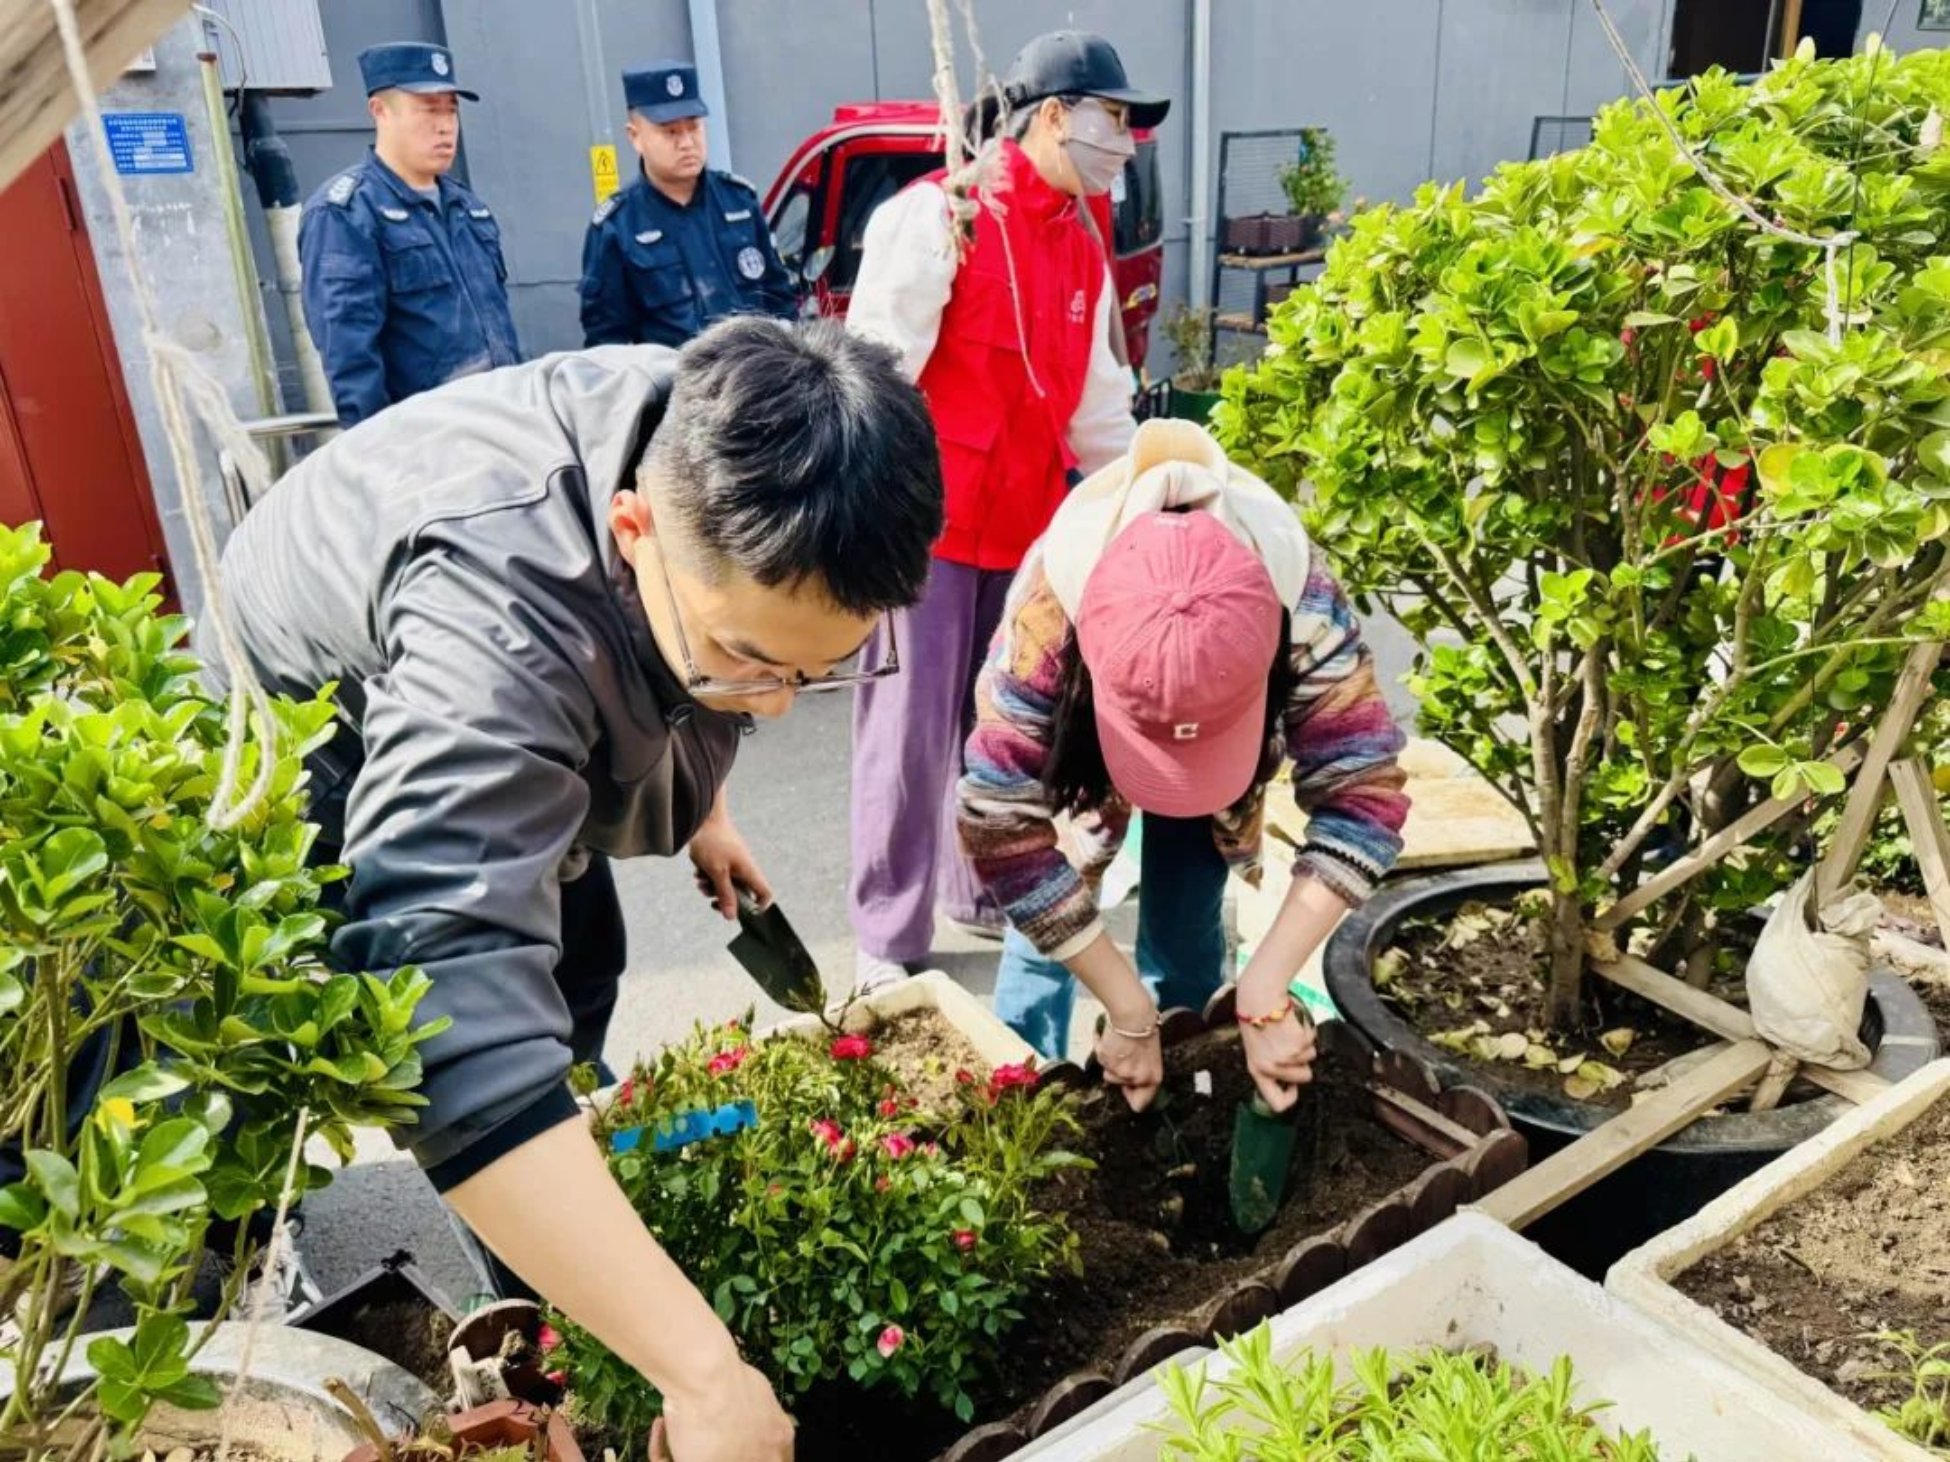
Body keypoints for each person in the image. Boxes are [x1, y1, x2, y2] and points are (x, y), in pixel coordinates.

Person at [202, 318, 943, 1462]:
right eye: (750, 662)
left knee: (579, 963)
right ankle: (305, 1251)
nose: (778, 704)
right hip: (314, 745)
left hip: (507, 674)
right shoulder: (495, 633)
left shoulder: (709, 431)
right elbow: (454, 1026)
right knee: (395, 1049)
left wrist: (708, 805)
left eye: (821, 667)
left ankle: (563, 1223)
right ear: (633, 533)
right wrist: (702, 1374)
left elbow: (704, 670)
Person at [957, 420, 1410, 1109]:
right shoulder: (1047, 614)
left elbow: (1365, 794)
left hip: (1223, 793)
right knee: (1047, 915)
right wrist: (1123, 1005)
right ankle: (1027, 1083)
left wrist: (1265, 986)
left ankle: (1186, 1075)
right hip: (1082, 767)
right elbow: (1002, 824)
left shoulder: (1302, 599)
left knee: (1189, 920)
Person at [844, 30, 1165, 993]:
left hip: (1026, 535)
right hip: (927, 532)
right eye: (1114, 119)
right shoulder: (943, 217)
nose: (1124, 144)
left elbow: (1098, 409)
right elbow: (874, 373)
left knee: (1003, 730)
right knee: (907, 736)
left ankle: (982, 886)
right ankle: (886, 932)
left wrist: (1146, 502)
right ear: (1054, 115)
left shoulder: (1082, 244)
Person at [298, 43, 522, 427]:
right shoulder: (346, 213)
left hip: (503, 421)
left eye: (451, 110)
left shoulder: (466, 207)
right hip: (429, 437)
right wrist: (382, 450)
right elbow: (349, 355)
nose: (445, 125)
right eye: (429, 109)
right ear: (380, 111)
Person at [579, 63, 797, 348]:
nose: (687, 143)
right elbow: (607, 342)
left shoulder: (740, 202)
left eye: (694, 127)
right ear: (635, 137)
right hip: (674, 374)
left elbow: (780, 299)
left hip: (752, 370)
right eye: (670, 132)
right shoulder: (617, 227)